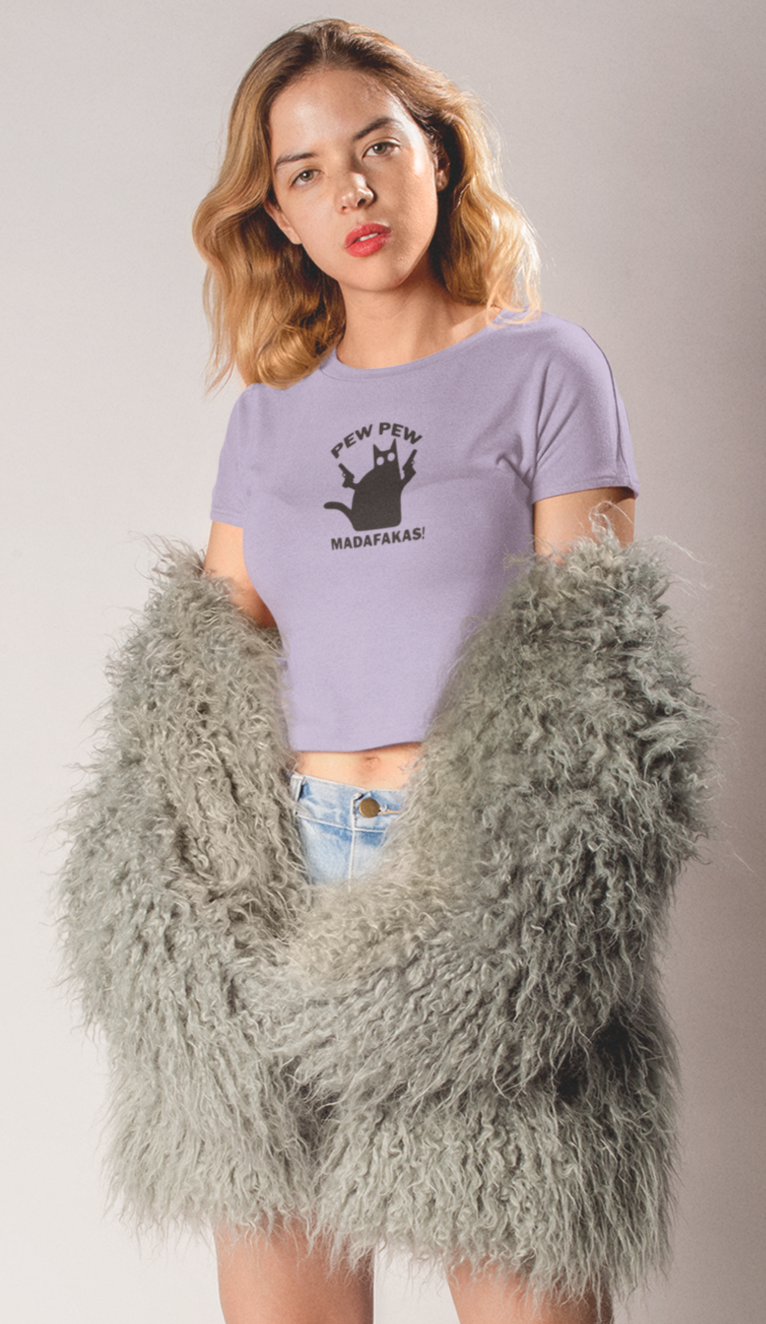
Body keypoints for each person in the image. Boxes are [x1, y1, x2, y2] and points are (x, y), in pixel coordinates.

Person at [192, 18, 637, 1324]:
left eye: (377, 146)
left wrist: (528, 892)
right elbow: (210, 669)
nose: (353, 190)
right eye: (306, 171)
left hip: (479, 876)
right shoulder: (267, 413)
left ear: (436, 154)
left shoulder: (544, 369)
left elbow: (598, 666)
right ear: (277, 215)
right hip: (284, 883)